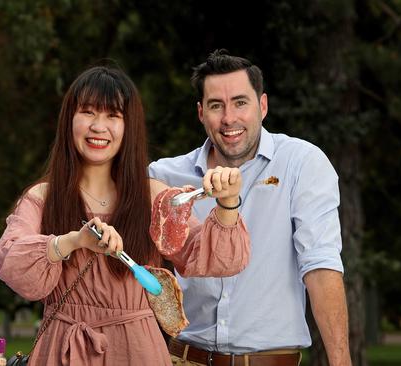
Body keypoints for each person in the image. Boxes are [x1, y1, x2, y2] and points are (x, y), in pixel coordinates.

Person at [0, 65, 251, 365]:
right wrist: (73, 241)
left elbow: (215, 259)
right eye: (88, 112)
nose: (98, 127)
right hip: (64, 348)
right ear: (69, 121)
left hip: (137, 350)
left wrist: (228, 203)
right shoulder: (42, 197)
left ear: (129, 126)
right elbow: (12, 265)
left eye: (113, 115)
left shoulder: (154, 197)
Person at [149, 49, 352, 366]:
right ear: (201, 112)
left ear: (263, 106)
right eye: (217, 106)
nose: (229, 118)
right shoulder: (164, 177)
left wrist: (341, 362)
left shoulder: (301, 164)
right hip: (184, 359)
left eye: (241, 103)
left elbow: (320, 265)